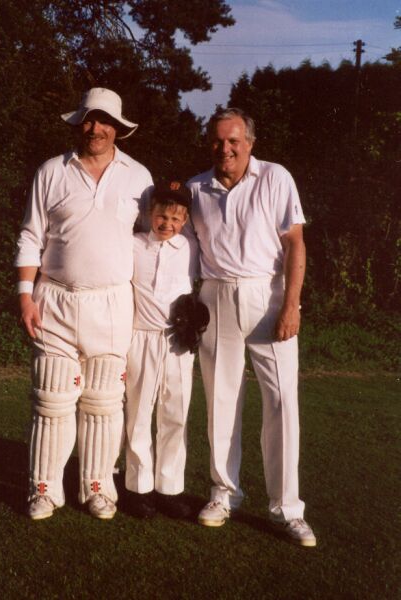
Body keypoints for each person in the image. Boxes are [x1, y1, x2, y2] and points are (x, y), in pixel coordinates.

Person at [15, 87, 153, 521]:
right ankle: (43, 488)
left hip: (112, 304)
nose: (95, 128)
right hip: (54, 298)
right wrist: (24, 295)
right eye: (88, 120)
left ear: (117, 129)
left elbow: (153, 239)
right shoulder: (52, 171)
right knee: (51, 400)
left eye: (104, 120)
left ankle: (98, 488)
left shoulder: (138, 176)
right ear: (78, 123)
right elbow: (30, 236)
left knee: (104, 403)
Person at [186, 107, 316, 547]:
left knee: (281, 403)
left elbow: (295, 242)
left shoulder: (277, 177)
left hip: (269, 297)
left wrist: (292, 305)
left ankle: (287, 509)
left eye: (234, 141)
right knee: (221, 401)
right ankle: (224, 495)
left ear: (250, 143)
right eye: (218, 141)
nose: (225, 148)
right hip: (215, 296)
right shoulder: (195, 188)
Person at [123, 182, 202, 519]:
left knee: (175, 413)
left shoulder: (189, 247)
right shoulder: (134, 244)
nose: (166, 223)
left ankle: (169, 487)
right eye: (160, 216)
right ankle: (138, 489)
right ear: (149, 214)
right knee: (139, 412)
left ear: (184, 220)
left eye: (174, 218)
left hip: (177, 341)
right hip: (141, 337)